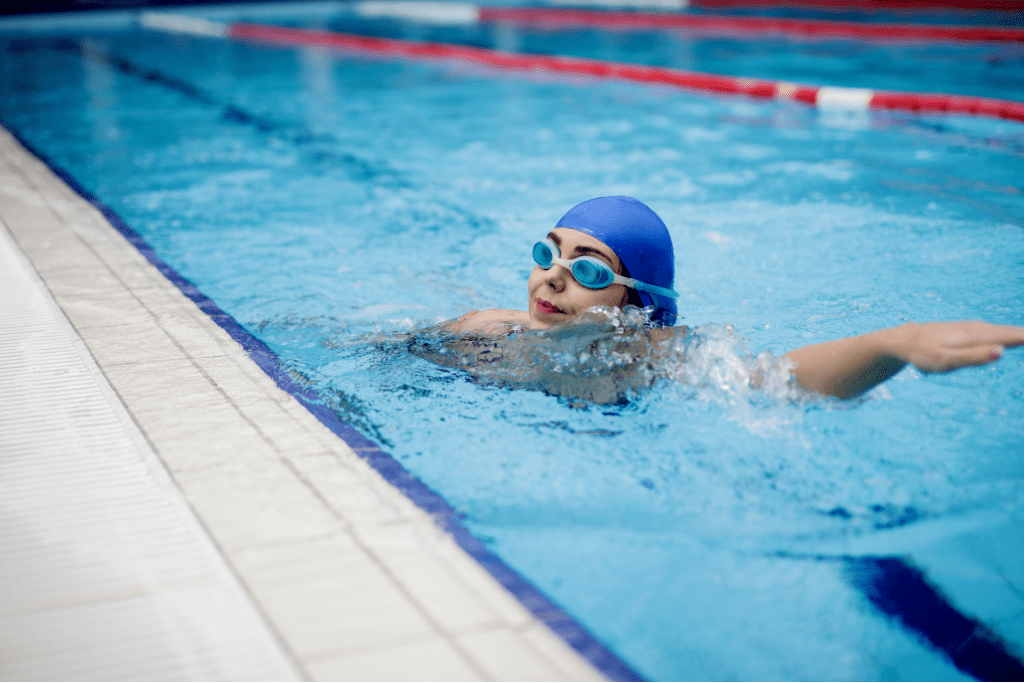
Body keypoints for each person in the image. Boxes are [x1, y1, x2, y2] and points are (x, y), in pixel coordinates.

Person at [445, 196, 1024, 400]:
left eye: (590, 271)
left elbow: (774, 383)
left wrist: (893, 344)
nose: (553, 278)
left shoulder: (648, 358)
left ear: (634, 306)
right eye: (547, 255)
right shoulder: (485, 330)